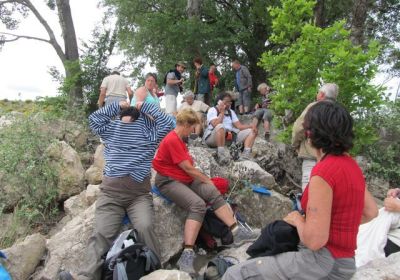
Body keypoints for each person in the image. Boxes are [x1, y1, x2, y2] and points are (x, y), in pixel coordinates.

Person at [222, 101, 378, 280]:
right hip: (345, 262)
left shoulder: (324, 171)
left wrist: (298, 220)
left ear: (311, 133)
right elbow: (371, 212)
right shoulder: (351, 165)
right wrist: (331, 226)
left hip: (322, 263)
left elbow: (314, 241)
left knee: (235, 274)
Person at [60, 100, 174, 280]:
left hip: (138, 196)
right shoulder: (112, 131)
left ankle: (156, 272)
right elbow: (94, 119)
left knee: (145, 227)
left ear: (141, 121)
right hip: (110, 195)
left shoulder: (149, 133)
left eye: (131, 123)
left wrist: (144, 106)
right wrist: (117, 106)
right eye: (122, 121)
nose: (125, 127)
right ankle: (86, 277)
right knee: (101, 233)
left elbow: (169, 123)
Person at [152, 109, 258, 276]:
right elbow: (187, 167)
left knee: (212, 192)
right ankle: (187, 255)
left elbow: (187, 167)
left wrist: (207, 183)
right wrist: (206, 179)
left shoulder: (181, 138)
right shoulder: (172, 139)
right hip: (168, 180)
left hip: (183, 177)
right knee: (198, 205)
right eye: (192, 127)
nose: (193, 131)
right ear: (185, 125)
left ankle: (237, 231)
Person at [292, 83, 339, 191]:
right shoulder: (338, 111)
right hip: (332, 158)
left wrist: (295, 144)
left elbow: (299, 128)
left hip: (311, 155)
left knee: (309, 189)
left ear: (322, 95)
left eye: (318, 92)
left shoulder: (313, 107)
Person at [203, 92, 258, 164]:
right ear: (219, 101)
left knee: (252, 131)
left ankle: (246, 155)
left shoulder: (231, 112)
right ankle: (221, 155)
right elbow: (215, 124)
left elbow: (239, 126)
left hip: (228, 138)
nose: (229, 103)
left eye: (230, 102)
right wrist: (222, 112)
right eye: (227, 101)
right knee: (220, 126)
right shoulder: (212, 110)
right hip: (213, 137)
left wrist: (251, 126)